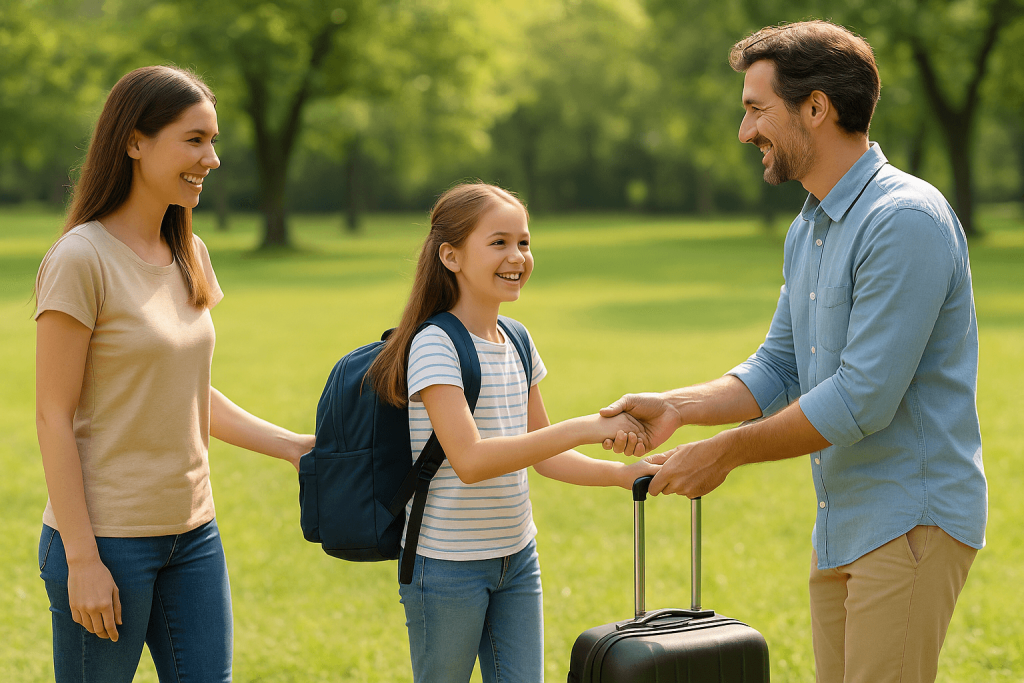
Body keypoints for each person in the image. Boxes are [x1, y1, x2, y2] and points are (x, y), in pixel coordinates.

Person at [601, 20, 985, 683]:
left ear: (816, 107)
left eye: (756, 109)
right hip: (843, 520)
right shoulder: (810, 224)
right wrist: (679, 407)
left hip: (910, 519)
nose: (745, 131)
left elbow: (861, 396)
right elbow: (780, 365)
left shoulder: (904, 220)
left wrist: (725, 450)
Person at [34, 65, 314, 682]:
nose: (211, 159)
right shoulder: (81, 259)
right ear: (135, 141)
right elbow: (53, 415)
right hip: (107, 541)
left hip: (193, 535)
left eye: (212, 141)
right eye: (194, 140)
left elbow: (184, 392)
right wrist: (82, 559)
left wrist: (291, 446)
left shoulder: (188, 251)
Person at [366, 182, 659, 682]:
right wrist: (583, 427)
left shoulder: (518, 340)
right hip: (447, 567)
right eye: (498, 242)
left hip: (517, 558)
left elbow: (544, 457)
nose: (517, 256)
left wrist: (622, 475)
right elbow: (472, 460)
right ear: (451, 256)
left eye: (523, 242)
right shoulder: (435, 344)